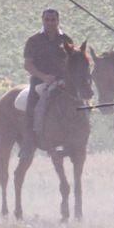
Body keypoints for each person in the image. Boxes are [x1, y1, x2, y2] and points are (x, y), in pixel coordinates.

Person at [20, 8, 73, 157]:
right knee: (32, 109)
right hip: (40, 82)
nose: (50, 23)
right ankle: (28, 143)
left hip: (63, 82)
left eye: (53, 20)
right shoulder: (34, 40)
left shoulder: (66, 40)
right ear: (43, 20)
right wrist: (44, 76)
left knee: (79, 105)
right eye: (47, 20)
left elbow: (72, 62)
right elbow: (28, 64)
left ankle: (77, 138)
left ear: (58, 20)